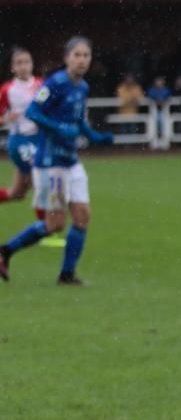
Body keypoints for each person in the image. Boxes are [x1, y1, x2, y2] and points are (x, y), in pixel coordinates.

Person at [0, 37, 113, 284]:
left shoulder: (82, 87)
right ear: (67, 58)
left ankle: (67, 274)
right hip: (51, 164)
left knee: (82, 216)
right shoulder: (55, 84)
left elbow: (79, 121)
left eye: (86, 55)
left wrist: (95, 136)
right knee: (54, 224)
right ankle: (6, 250)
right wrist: (59, 128)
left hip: (71, 161)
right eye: (77, 55)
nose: (82, 60)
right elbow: (33, 112)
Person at [0, 47, 43, 209]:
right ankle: (48, 230)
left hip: (39, 139)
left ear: (32, 64)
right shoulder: (7, 90)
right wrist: (5, 118)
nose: (23, 66)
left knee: (17, 193)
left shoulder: (41, 85)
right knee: (40, 182)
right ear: (12, 68)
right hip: (20, 141)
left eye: (26, 62)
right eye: (19, 63)